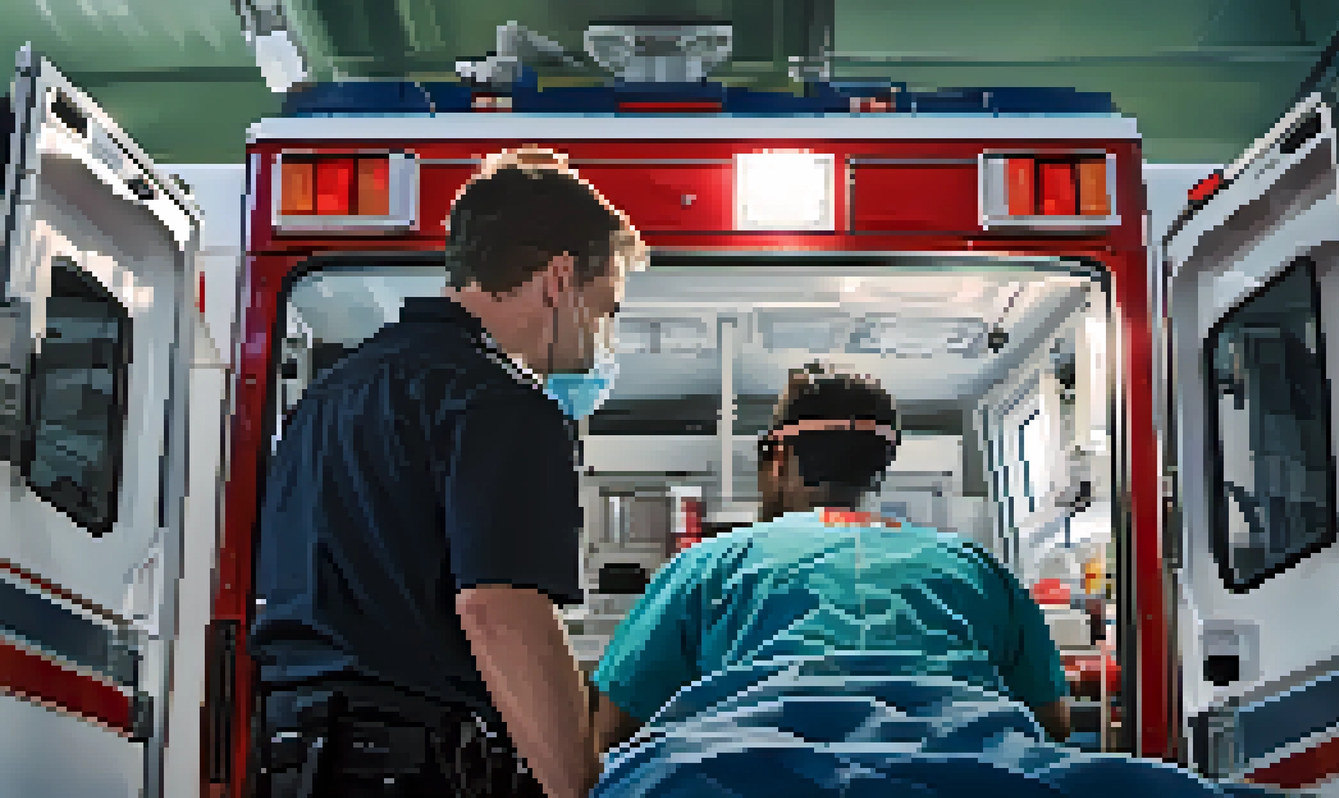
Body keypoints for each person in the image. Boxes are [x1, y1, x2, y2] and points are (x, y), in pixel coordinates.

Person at [583, 364, 1281, 798]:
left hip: (739, 769)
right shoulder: (972, 566)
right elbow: (1051, 724)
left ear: (775, 460)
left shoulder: (708, 565)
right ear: (880, 470)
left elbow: (608, 737)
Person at [248, 147, 643, 798]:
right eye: (604, 309)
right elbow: (500, 610)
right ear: (559, 278)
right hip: (405, 761)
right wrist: (578, 784)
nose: (600, 336)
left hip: (294, 751)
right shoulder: (502, 403)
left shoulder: (335, 393)